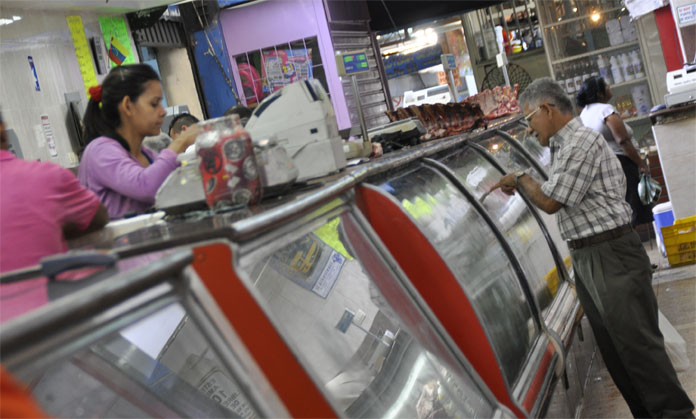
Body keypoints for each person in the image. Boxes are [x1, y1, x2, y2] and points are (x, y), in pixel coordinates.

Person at [494, 78, 693, 418]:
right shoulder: (559, 149)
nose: (529, 130)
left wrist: (520, 178)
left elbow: (551, 199)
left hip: (611, 254)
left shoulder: (580, 143)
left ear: (547, 109)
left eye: (529, 120)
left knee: (639, 349)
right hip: (589, 258)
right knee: (618, 354)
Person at [0, 110, 108, 321]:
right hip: (54, 325)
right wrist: (49, 224)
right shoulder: (46, 176)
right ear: (3, 130)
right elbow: (98, 216)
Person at [78, 64, 198, 219]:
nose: (162, 112)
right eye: (154, 104)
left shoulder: (146, 154)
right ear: (128, 106)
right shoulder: (99, 151)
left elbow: (174, 187)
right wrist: (180, 142)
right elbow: (146, 187)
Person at [576, 76, 651, 226]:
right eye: (606, 85)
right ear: (599, 93)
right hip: (622, 163)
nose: (610, 87)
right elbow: (623, 140)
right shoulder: (606, 110)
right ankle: (633, 243)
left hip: (603, 168)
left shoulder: (584, 114)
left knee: (621, 208)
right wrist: (641, 163)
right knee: (632, 207)